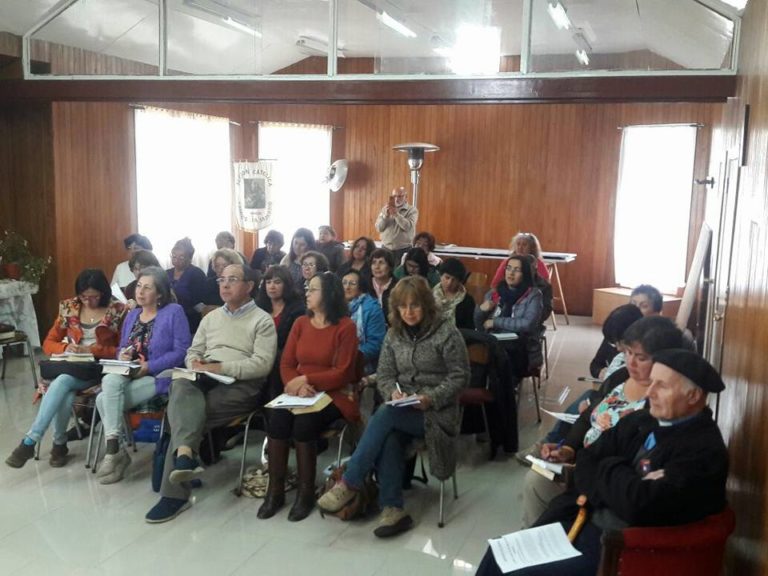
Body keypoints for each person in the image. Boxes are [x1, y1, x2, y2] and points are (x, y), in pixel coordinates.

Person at [476, 349, 728, 576]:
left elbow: (638, 505)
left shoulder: (703, 451)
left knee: (513, 571)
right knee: (497, 554)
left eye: (662, 386)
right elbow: (587, 458)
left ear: (693, 395)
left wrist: (609, 466)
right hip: (583, 519)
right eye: (651, 383)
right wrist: (624, 477)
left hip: (622, 550)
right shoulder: (642, 420)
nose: (650, 393)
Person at [318, 276, 470, 538]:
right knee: (388, 433)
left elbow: (460, 376)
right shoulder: (394, 334)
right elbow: (386, 375)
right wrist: (393, 391)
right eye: (403, 306)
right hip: (403, 409)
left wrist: (430, 398)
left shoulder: (446, 332)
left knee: (385, 415)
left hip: (438, 414)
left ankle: (351, 480)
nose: (409, 312)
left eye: (415, 305)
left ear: (426, 305)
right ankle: (393, 509)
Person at [145, 264, 277, 523]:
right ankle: (184, 459)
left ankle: (175, 491)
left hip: (240, 386)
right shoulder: (211, 317)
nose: (224, 285)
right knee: (180, 384)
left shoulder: (263, 320)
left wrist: (220, 367)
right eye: (221, 280)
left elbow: (261, 365)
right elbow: (192, 351)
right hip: (203, 378)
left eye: (232, 280)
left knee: (182, 415)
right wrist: (195, 362)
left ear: (249, 286)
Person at [521, 316, 683, 527]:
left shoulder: (661, 402)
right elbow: (589, 415)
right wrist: (568, 448)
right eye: (627, 352)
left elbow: (631, 460)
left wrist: (579, 468)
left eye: (641, 357)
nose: (631, 362)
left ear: (664, 359)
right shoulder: (621, 377)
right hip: (581, 462)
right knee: (535, 481)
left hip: (603, 479)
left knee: (540, 486)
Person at [258, 272, 360, 522]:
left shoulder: (345, 326)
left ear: (329, 294)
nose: (307, 293)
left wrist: (307, 380)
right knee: (278, 419)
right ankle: (276, 490)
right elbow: (286, 363)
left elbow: (343, 372)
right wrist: (295, 384)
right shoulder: (301, 323)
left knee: (304, 424)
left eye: (313, 289)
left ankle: (305, 494)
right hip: (299, 393)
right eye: (308, 289)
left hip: (334, 394)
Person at [6, 269, 125, 468]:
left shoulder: (117, 310)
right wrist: (66, 347)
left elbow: (121, 350)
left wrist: (92, 349)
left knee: (62, 381)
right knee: (65, 386)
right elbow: (48, 342)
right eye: (84, 296)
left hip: (98, 367)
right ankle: (56, 444)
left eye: (94, 297)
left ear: (103, 292)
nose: (88, 302)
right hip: (71, 364)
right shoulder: (70, 307)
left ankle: (33, 441)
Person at [94, 267, 191, 484]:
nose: (140, 291)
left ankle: (116, 452)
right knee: (110, 381)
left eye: (147, 287)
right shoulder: (133, 314)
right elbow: (121, 346)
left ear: (159, 293)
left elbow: (182, 351)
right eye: (138, 286)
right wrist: (123, 353)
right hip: (129, 371)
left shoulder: (173, 312)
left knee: (103, 398)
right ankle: (115, 450)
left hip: (158, 375)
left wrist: (150, 366)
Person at [475, 255, 544, 375]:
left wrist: (496, 322)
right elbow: (479, 325)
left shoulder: (533, 295)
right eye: (508, 268)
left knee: (502, 358)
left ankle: (501, 390)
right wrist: (481, 310)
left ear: (525, 273)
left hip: (521, 345)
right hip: (493, 341)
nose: (511, 273)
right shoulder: (495, 293)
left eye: (517, 270)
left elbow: (527, 324)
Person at [255, 265, 306, 400]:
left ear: (286, 285)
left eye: (277, 282)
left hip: (283, 357)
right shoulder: (258, 307)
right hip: (257, 353)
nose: (272, 286)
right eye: (268, 282)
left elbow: (290, 343)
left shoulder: (298, 309)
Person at [342, 269, 386, 374]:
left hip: (362, 362)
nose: (347, 287)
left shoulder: (372, 308)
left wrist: (349, 357)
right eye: (344, 283)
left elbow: (376, 344)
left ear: (360, 287)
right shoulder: (335, 306)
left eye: (352, 284)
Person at [589, 303, 645, 379]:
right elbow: (595, 364)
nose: (618, 348)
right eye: (614, 344)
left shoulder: (645, 359)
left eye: (620, 342)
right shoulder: (617, 353)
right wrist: (600, 372)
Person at [166, 237, 207, 334]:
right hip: (168, 319)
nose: (177, 260)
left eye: (181, 257)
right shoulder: (166, 274)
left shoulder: (197, 274)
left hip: (190, 320)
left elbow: (199, 304)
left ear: (190, 258)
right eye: (174, 256)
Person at [374, 187, 418, 263]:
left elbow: (408, 227)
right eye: (394, 196)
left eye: (400, 196)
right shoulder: (385, 209)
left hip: (403, 250)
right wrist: (386, 216)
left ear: (406, 197)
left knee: (400, 274)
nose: (397, 199)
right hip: (386, 249)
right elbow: (379, 228)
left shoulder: (412, 210)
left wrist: (396, 214)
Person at [201, 247, 246, 315]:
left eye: (225, 265)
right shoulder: (209, 283)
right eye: (217, 266)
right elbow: (204, 307)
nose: (220, 269)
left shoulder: (241, 283)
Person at [432, 258, 474, 330]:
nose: (449, 283)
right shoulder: (429, 295)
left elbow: (469, 328)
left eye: (454, 280)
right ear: (440, 276)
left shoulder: (467, 301)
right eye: (447, 277)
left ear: (459, 281)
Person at [368, 248, 396, 324]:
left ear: (390, 266)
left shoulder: (398, 286)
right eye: (374, 263)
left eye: (381, 263)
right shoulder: (365, 285)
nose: (377, 267)